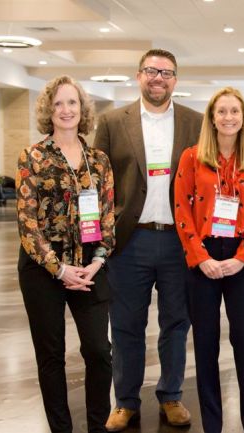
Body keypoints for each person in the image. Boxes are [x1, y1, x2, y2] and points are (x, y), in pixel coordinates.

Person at [94, 49, 203, 431]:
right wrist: (97, 240)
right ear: (138, 75)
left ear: (176, 79)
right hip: (130, 240)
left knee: (176, 323)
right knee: (125, 325)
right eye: (151, 71)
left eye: (167, 72)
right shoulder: (111, 122)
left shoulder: (196, 122)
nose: (158, 78)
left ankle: (171, 396)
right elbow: (98, 185)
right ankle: (125, 401)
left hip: (179, 241)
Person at [16, 75, 114, 433]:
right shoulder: (33, 156)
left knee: (99, 353)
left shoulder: (98, 160)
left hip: (89, 263)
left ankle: (98, 427)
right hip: (43, 268)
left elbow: (106, 219)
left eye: (72, 102)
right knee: (51, 355)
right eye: (58, 103)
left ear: (83, 109)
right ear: (48, 110)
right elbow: (28, 224)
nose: (66, 110)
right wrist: (59, 270)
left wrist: (97, 262)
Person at [174, 87, 244, 433]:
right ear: (211, 117)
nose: (229, 118)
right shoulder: (191, 158)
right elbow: (181, 210)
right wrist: (200, 258)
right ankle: (212, 424)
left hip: (240, 259)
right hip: (204, 259)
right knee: (205, 342)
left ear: (243, 118)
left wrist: (243, 258)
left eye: (235, 112)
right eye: (222, 111)